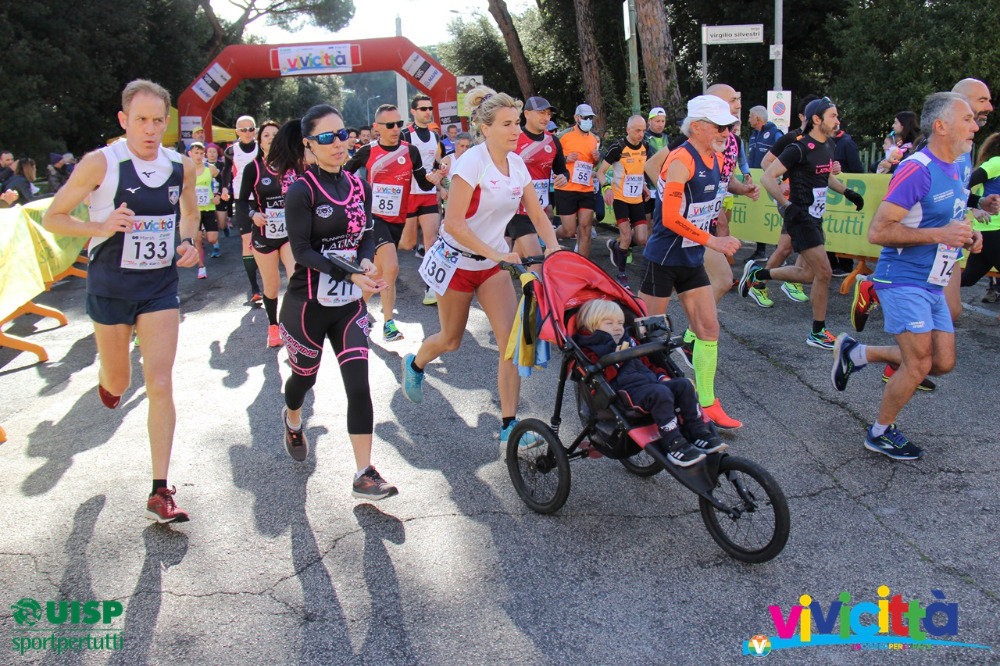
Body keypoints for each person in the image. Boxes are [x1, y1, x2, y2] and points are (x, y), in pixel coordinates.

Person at [42, 79, 200, 522]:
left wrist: (188, 242)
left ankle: (159, 490)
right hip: (110, 287)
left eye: (158, 120)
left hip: (158, 288)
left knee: (161, 382)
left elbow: (190, 213)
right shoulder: (101, 163)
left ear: (166, 123)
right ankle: (108, 378)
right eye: (141, 120)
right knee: (119, 381)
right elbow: (54, 217)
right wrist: (101, 226)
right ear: (123, 120)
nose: (150, 129)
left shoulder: (181, 166)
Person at [399, 85, 561, 446]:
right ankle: (415, 363)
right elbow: (455, 224)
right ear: (485, 128)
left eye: (516, 123)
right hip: (457, 262)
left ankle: (509, 426)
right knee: (451, 340)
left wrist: (553, 247)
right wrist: (499, 253)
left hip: (491, 267)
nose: (516, 130)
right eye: (507, 124)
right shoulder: (472, 161)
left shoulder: (517, 165)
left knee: (509, 345)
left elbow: (537, 214)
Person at [832, 92, 984, 461]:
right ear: (941, 126)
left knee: (942, 362)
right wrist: (940, 234)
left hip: (933, 280)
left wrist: (969, 231)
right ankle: (879, 433)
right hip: (902, 279)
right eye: (967, 119)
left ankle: (857, 352)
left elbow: (947, 216)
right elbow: (878, 232)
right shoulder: (917, 169)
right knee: (918, 364)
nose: (976, 127)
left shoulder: (958, 165)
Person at [278, 103, 398, 499]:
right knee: (303, 380)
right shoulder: (302, 190)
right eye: (327, 137)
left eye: (342, 134)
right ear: (309, 145)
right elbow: (301, 251)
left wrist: (365, 259)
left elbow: (366, 232)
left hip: (348, 307)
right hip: (307, 306)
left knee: (359, 385)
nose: (338, 143)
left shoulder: (358, 185)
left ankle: (364, 473)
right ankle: (293, 419)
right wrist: (349, 273)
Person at [638, 95, 743, 429]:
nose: (726, 133)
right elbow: (670, 218)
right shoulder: (681, 159)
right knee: (649, 336)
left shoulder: (716, 157)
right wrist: (715, 241)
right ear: (696, 127)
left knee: (708, 328)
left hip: (691, 258)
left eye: (728, 127)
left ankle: (707, 403)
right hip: (664, 258)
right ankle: (643, 397)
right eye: (719, 126)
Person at [742, 97, 865, 349]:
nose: (837, 120)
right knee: (825, 272)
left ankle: (758, 274)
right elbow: (767, 177)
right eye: (833, 116)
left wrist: (847, 192)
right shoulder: (799, 148)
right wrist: (788, 206)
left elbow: (825, 175)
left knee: (808, 275)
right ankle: (817, 331)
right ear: (816, 119)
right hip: (800, 218)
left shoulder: (829, 144)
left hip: (816, 217)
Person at [572, 299, 727, 466]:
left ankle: (698, 432)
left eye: (620, 323)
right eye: (609, 323)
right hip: (626, 394)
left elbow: (648, 365)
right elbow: (598, 379)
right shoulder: (591, 349)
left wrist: (661, 376)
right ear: (591, 325)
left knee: (684, 385)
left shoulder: (630, 341)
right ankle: (674, 443)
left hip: (651, 385)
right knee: (660, 393)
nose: (617, 328)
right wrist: (616, 360)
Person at [345, 104, 441, 341]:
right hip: (373, 219)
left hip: (398, 219)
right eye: (390, 125)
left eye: (399, 123)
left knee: (378, 274)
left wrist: (435, 177)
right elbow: (343, 176)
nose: (396, 128)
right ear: (377, 128)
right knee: (392, 267)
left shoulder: (411, 151)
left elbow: (423, 183)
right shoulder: (367, 151)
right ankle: (389, 324)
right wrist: (356, 200)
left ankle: (354, 314)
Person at [755, 94, 821, 306]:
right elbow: (766, 162)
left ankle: (785, 282)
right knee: (787, 247)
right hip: (791, 200)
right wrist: (780, 181)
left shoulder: (821, 141)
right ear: (803, 116)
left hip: (811, 202)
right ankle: (758, 283)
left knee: (806, 243)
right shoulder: (791, 138)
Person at [239, 120, 299, 348]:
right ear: (260, 141)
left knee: (296, 279)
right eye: (266, 135)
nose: (271, 138)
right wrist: (253, 213)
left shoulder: (293, 166)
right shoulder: (253, 168)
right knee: (271, 286)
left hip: (289, 234)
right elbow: (241, 202)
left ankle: (292, 324)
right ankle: (273, 326)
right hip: (264, 234)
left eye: (275, 134)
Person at [507, 96, 569, 258]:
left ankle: (502, 272)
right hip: (517, 209)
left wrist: (563, 177)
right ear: (527, 114)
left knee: (517, 259)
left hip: (539, 211)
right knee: (536, 258)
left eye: (548, 114)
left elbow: (562, 170)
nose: (546, 118)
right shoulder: (513, 138)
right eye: (541, 113)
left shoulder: (552, 141)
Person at [401, 94, 447, 306]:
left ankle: (430, 287)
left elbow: (436, 164)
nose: (427, 112)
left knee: (432, 240)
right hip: (408, 194)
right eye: (423, 109)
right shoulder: (405, 134)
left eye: (430, 108)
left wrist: (440, 175)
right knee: (408, 243)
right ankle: (380, 252)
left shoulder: (434, 136)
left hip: (427, 194)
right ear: (413, 111)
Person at [599, 115, 652, 288]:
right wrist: (607, 188)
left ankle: (617, 246)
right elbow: (600, 172)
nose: (641, 134)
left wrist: (644, 185)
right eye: (637, 130)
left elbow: (640, 170)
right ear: (628, 130)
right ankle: (621, 274)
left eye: (643, 130)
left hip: (636, 199)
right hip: (620, 198)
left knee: (642, 238)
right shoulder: (618, 147)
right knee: (627, 237)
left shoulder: (645, 147)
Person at [221, 115, 263, 303]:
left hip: (262, 198)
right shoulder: (231, 151)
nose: (247, 133)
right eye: (243, 130)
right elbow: (226, 172)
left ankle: (267, 277)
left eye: (251, 129)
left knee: (264, 240)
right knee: (247, 241)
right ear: (237, 131)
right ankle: (254, 288)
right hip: (242, 200)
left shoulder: (262, 148)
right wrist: (224, 188)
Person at [555, 103, 601, 257]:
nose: (588, 121)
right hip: (566, 188)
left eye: (590, 118)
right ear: (576, 118)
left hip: (586, 189)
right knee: (568, 231)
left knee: (585, 228)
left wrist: (596, 159)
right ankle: (552, 236)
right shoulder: (563, 136)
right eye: (585, 117)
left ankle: (583, 264)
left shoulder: (594, 139)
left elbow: (592, 164)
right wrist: (566, 158)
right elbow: (552, 157)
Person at [963, 132, 1000, 302]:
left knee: (968, 278)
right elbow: (964, 184)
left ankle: (919, 290)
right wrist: (974, 206)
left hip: (988, 231)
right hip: (992, 229)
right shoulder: (997, 162)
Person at [188, 142, 220, 279]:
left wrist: (218, 195)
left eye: (201, 153)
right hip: (194, 210)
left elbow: (221, 180)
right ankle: (201, 267)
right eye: (196, 153)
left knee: (212, 239)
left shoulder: (210, 168)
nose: (199, 156)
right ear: (190, 154)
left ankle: (206, 233)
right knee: (197, 240)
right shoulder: (186, 169)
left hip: (209, 208)